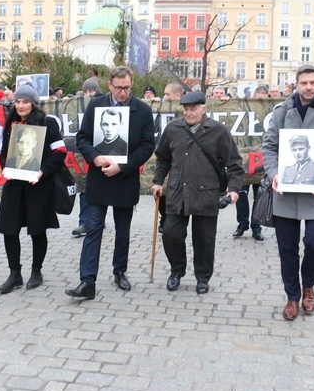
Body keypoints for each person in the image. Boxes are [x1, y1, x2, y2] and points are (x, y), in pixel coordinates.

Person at [262, 65, 314, 321]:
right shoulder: (281, 112)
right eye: (304, 83)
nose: (308, 87)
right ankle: (292, 296)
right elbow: (269, 149)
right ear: (296, 85)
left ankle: (308, 284)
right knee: (286, 247)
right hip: (285, 193)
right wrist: (274, 173)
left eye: (313, 82)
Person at [66, 66, 155, 299]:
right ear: (109, 86)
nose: (123, 93)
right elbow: (82, 138)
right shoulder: (96, 106)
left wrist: (123, 167)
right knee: (93, 227)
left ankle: (120, 271)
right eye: (118, 88)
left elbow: (147, 147)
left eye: (127, 88)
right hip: (100, 178)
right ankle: (87, 281)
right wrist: (95, 157)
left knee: (122, 231)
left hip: (125, 179)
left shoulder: (143, 111)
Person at [151, 91, 244, 294]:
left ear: (204, 108)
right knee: (171, 234)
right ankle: (177, 271)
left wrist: (234, 189)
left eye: (193, 109)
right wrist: (158, 181)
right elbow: (163, 158)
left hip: (206, 194)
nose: (189, 112)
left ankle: (203, 277)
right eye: (185, 109)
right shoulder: (173, 128)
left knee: (204, 240)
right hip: (177, 192)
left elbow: (235, 164)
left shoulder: (218, 131)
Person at [0, 83, 67, 293]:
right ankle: (14, 273)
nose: (20, 105)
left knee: (37, 229)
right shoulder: (11, 124)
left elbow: (60, 152)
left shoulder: (46, 123)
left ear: (33, 104)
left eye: (25, 101)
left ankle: (37, 271)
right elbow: (4, 153)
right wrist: (4, 167)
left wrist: (42, 171)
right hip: (14, 185)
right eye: (17, 101)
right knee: (9, 229)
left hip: (38, 185)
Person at [234, 86, 268, 240]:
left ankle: (256, 226)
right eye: (257, 99)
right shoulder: (245, 113)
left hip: (264, 160)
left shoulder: (271, 114)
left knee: (259, 195)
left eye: (263, 99)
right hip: (245, 160)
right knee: (241, 193)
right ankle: (242, 224)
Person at [71, 78, 101, 238]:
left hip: (105, 152)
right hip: (88, 152)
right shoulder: (79, 104)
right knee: (84, 187)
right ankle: (84, 222)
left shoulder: (103, 103)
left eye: (92, 91)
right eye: (86, 91)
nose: (89, 94)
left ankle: (97, 219)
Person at [157, 82, 185, 234]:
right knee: (160, 189)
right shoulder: (162, 108)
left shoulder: (186, 111)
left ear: (177, 96)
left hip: (180, 156)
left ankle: (173, 218)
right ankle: (164, 216)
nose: (164, 97)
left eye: (167, 94)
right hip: (164, 151)